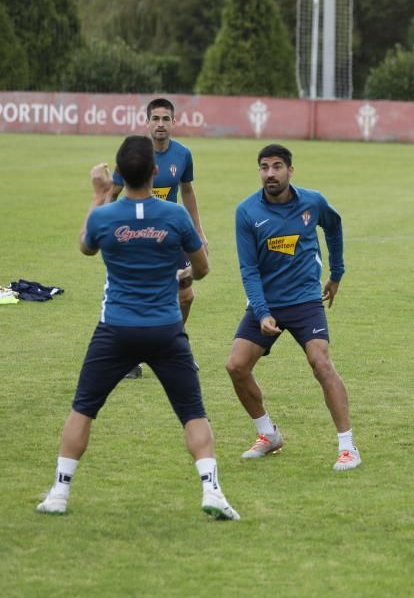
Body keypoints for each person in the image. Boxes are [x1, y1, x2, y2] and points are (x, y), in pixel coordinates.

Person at [36, 136, 238, 520]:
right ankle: (212, 489)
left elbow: (85, 247)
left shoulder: (104, 217)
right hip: (165, 328)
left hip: (116, 328)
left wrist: (98, 195)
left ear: (117, 174)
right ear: (155, 171)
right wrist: (182, 279)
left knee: (83, 408)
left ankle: (59, 493)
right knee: (193, 412)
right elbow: (203, 268)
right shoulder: (175, 217)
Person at [224, 144, 360, 471]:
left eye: (277, 166)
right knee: (236, 366)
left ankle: (347, 447)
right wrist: (262, 312)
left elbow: (335, 226)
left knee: (321, 362)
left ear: (290, 170)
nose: (270, 173)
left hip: (305, 301)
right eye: (264, 167)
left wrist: (337, 273)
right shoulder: (246, 212)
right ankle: (268, 434)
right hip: (267, 303)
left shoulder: (312, 202)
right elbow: (249, 270)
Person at [110, 98, 207, 378]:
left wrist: (199, 232)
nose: (161, 124)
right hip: (136, 238)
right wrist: (110, 230)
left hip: (170, 238)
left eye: (166, 119)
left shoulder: (183, 154)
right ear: (147, 121)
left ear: (173, 122)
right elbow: (112, 193)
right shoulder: (132, 153)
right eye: (156, 119)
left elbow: (187, 191)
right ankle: (130, 358)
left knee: (185, 295)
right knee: (138, 298)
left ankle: (174, 348)